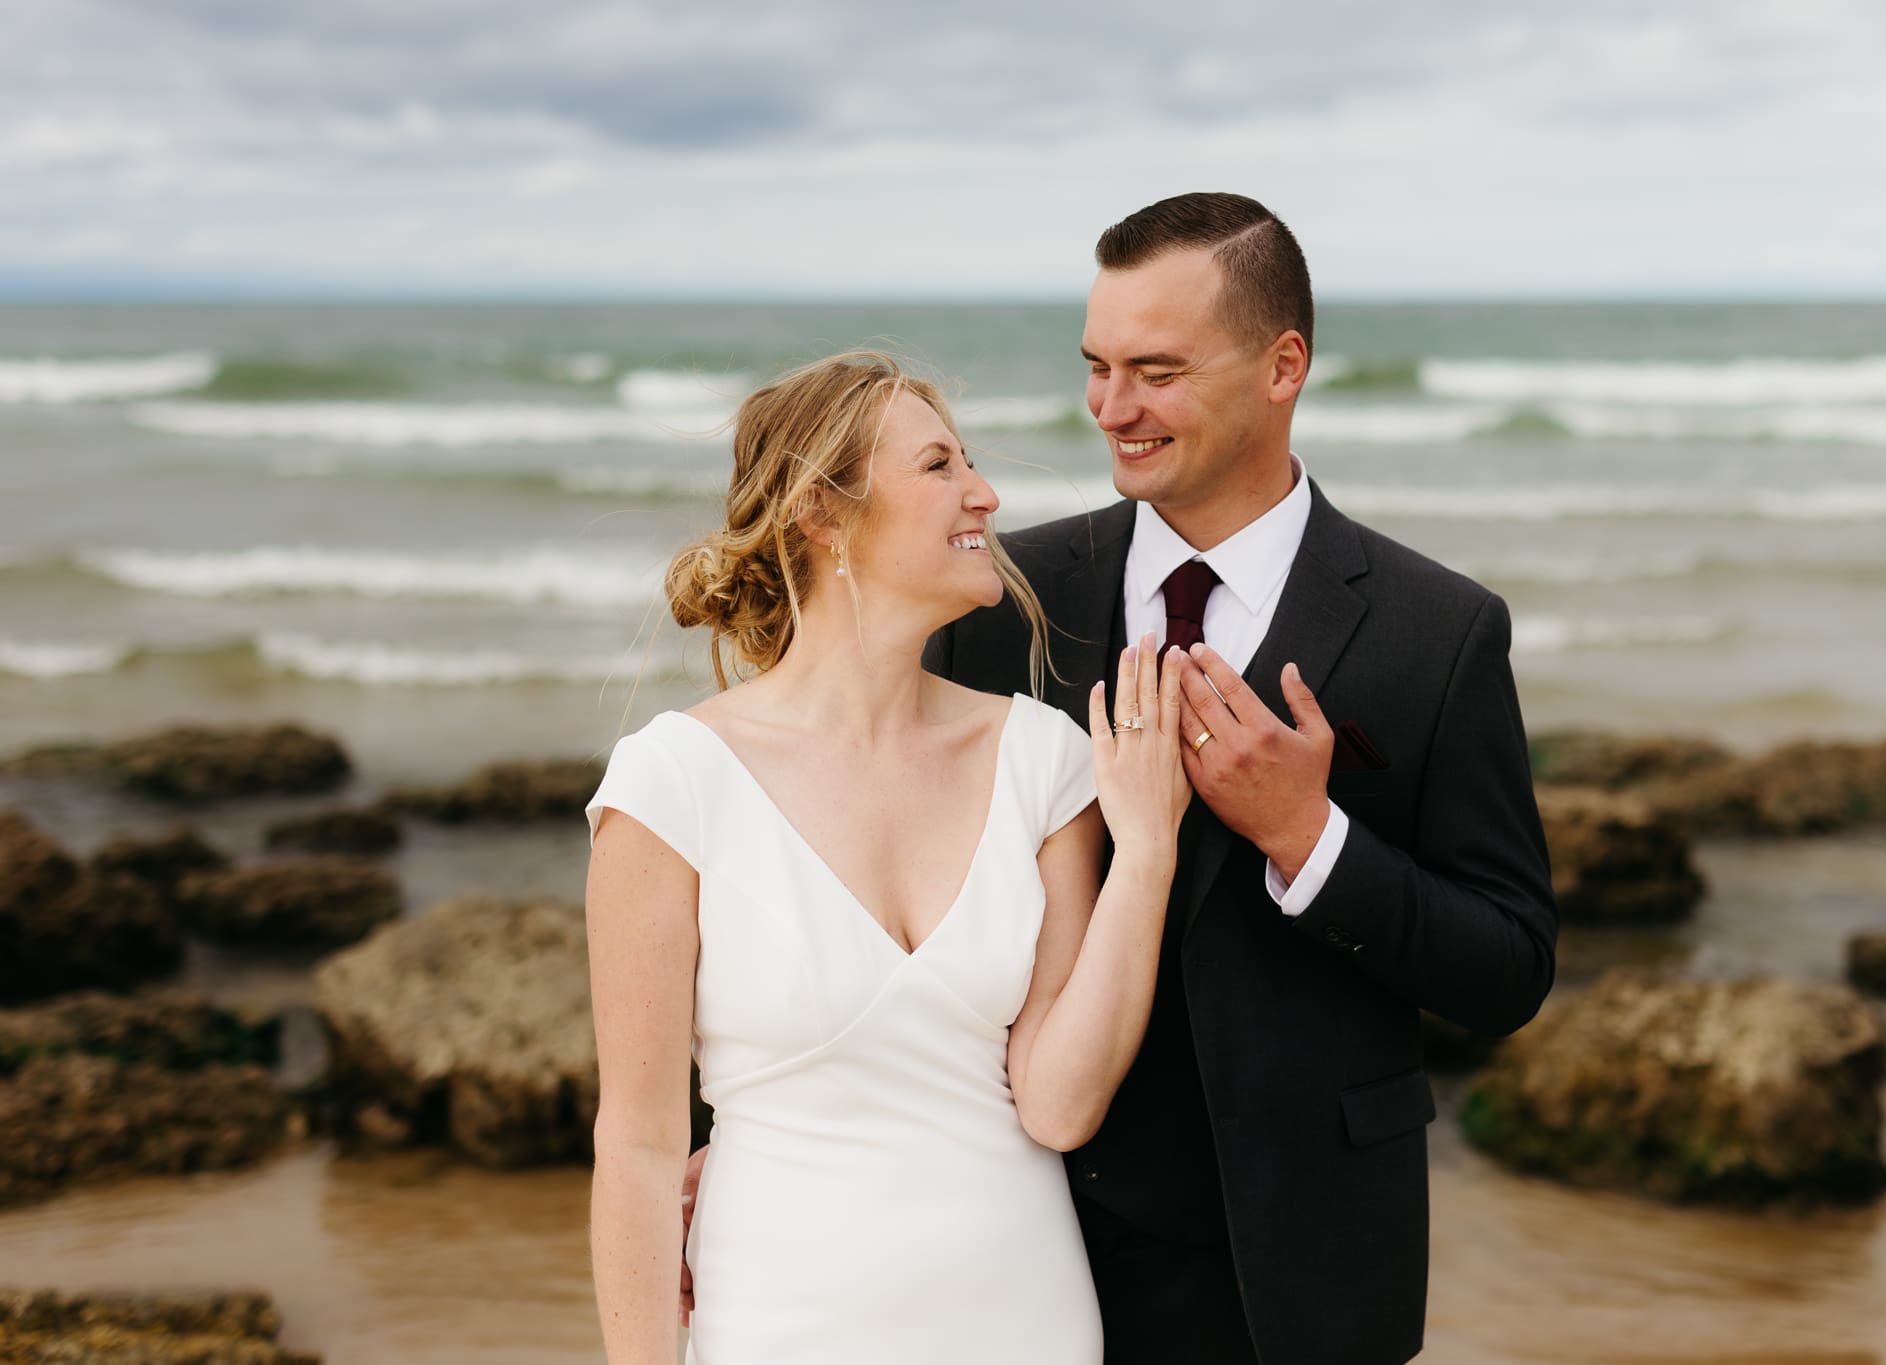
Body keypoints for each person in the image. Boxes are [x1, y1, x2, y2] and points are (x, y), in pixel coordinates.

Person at [924, 193, 1560, 1364]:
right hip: (1026, 1235)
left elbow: (1508, 970)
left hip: (1303, 1266)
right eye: (1096, 368)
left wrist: (1309, 839)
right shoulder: (996, 604)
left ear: (1283, 365)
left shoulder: (1437, 632)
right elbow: (866, 877)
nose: (1112, 410)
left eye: (1155, 371)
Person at [583, 350, 1191, 1365]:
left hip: (1026, 1326)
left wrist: (1147, 854)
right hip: (775, 1330)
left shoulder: (1043, 761)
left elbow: (1058, 1101)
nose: (983, 494)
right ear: (823, 514)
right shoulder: (672, 785)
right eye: (939, 466)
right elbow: (639, 1150)